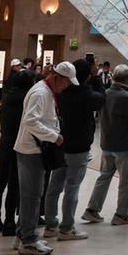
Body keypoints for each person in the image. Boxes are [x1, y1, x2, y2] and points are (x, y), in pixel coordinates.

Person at [13, 61, 75, 255]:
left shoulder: (46, 91)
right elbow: (30, 121)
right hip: (31, 150)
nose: (66, 87)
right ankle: (29, 240)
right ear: (57, 77)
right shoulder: (41, 93)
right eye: (66, 83)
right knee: (32, 196)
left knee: (31, 195)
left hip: (34, 149)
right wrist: (53, 136)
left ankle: (23, 234)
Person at [43, 60, 103, 241]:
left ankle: (50, 224)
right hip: (79, 147)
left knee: (54, 186)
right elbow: (102, 99)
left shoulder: (61, 93)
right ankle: (67, 227)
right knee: (72, 187)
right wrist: (97, 80)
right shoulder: (87, 94)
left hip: (61, 143)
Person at [83, 64, 128, 225]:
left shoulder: (105, 94)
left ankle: (92, 209)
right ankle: (121, 214)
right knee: (126, 181)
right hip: (124, 144)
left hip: (106, 142)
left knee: (104, 177)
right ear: (127, 79)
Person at [0, 59, 31, 236]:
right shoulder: (27, 100)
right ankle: (9, 221)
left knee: (0, 183)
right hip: (18, 145)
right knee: (14, 185)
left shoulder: (7, 98)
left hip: (5, 143)